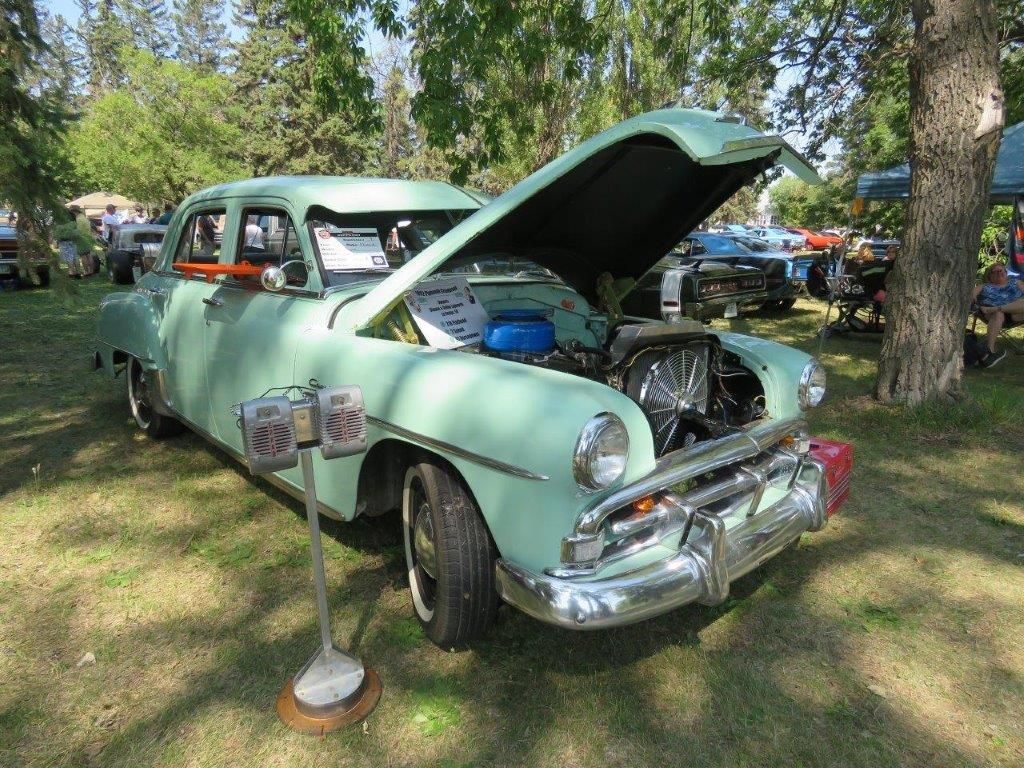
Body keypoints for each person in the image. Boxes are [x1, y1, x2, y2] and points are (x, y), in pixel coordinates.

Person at [972, 263, 1024, 367]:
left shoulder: (1016, 282)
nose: (999, 273)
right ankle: (989, 351)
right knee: (998, 314)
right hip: (994, 316)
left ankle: (994, 309)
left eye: (1001, 270)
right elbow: (971, 295)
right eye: (995, 271)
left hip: (1016, 312)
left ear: (1006, 272)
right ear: (989, 276)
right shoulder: (984, 286)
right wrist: (974, 302)